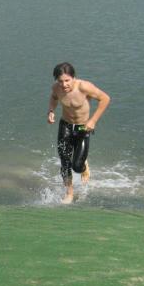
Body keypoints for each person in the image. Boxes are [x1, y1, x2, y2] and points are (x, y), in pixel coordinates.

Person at [46, 62, 111, 204]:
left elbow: (105, 99)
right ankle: (69, 193)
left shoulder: (84, 87)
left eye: (67, 80)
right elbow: (54, 98)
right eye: (60, 81)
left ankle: (83, 165)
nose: (64, 85)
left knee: (77, 166)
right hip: (66, 126)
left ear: (73, 77)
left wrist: (93, 121)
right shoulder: (56, 88)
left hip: (83, 127)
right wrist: (51, 111)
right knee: (64, 161)